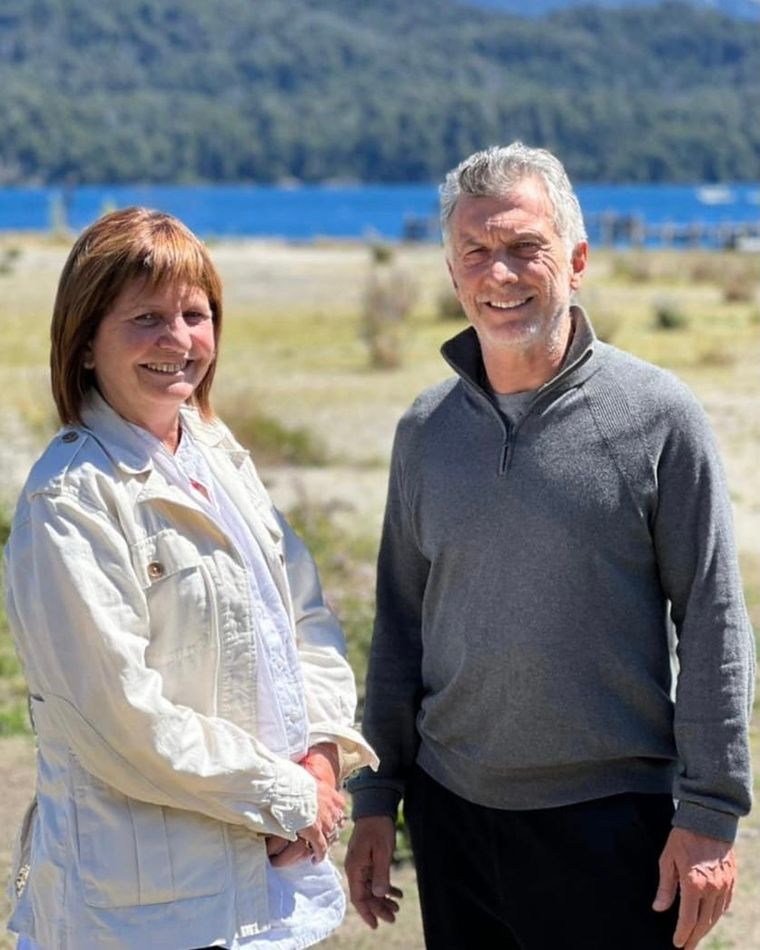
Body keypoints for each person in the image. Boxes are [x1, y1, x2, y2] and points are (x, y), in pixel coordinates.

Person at [345, 143, 755, 950]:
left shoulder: (659, 417)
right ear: (453, 272)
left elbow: (713, 621)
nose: (500, 274)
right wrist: (375, 795)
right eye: (476, 253)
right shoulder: (425, 431)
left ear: (576, 259)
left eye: (524, 248)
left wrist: (711, 811)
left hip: (613, 826)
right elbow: (399, 626)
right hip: (450, 814)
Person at [4, 207, 377, 950]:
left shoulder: (214, 454)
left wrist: (324, 757)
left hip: (257, 883)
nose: (178, 340)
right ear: (84, 343)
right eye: (146, 317)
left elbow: (303, 618)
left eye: (195, 315)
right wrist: (289, 797)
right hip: (144, 913)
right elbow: (125, 721)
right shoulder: (72, 498)